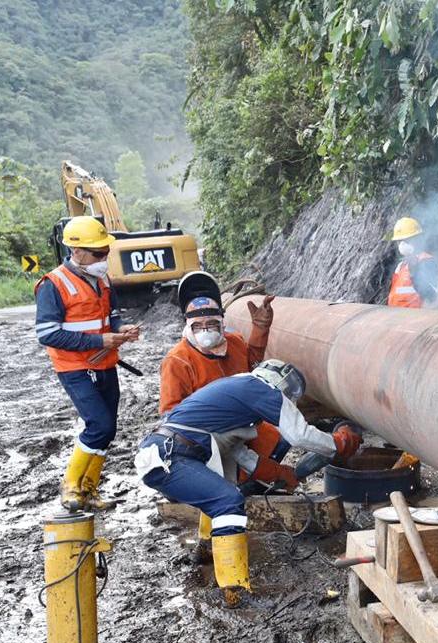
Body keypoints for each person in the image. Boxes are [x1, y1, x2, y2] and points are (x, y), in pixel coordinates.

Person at [135, 360, 363, 606]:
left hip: (164, 453)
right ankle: (235, 588)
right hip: (171, 456)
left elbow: (243, 456)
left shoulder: (233, 395)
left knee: (220, 492)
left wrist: (279, 473)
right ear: (281, 382)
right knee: (228, 501)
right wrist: (339, 443)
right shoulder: (260, 388)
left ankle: (207, 547)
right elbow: (299, 434)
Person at [159, 273, 291, 554]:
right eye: (199, 325)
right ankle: (217, 523)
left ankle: (250, 483)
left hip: (242, 427)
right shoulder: (178, 360)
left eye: (212, 323)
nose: (206, 330)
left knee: (279, 438)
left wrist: (261, 328)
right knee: (222, 483)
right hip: (203, 438)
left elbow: (253, 365)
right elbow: (171, 414)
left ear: (221, 321)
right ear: (188, 326)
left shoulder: (235, 343)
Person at [36, 216, 140, 512]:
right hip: (75, 368)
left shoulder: (103, 279)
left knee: (108, 429)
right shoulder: (53, 285)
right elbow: (47, 334)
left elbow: (112, 315)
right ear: (76, 251)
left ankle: (89, 490)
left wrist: (120, 331)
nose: (104, 258)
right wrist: (100, 341)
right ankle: (70, 485)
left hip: (105, 363)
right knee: (99, 424)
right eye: (98, 253)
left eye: (106, 251)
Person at [386, 216, 438, 308]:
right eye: (399, 241)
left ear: (417, 239)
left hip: (417, 317)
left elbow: (432, 296)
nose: (402, 244)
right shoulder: (401, 266)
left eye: (406, 240)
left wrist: (414, 271)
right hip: (397, 317)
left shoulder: (426, 261)